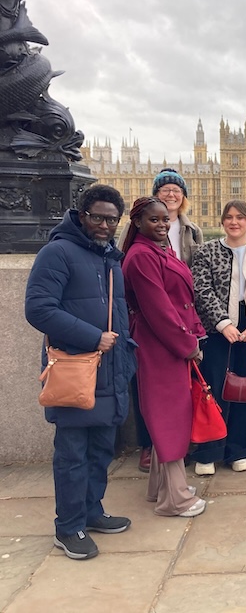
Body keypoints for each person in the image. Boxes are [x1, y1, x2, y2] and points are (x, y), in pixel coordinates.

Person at [25, 184, 137, 560]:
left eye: (112, 219)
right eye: (98, 217)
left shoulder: (109, 258)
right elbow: (39, 310)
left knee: (101, 449)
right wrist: (92, 337)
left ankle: (91, 511)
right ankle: (68, 526)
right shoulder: (56, 252)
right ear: (82, 214)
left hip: (110, 371)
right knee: (72, 453)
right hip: (75, 368)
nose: (105, 225)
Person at [121, 197, 207, 518]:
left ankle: (160, 486)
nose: (162, 225)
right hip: (158, 344)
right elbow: (159, 311)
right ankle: (175, 499)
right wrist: (188, 345)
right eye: (154, 220)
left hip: (170, 342)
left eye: (165, 219)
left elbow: (183, 298)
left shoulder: (159, 250)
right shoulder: (141, 256)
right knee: (168, 415)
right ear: (138, 223)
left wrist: (194, 332)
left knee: (168, 411)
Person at [190, 201, 246, 475]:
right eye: (229, 217)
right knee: (213, 389)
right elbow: (201, 288)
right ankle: (208, 452)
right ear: (222, 222)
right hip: (218, 329)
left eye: (240, 217)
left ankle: (239, 450)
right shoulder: (207, 251)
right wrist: (222, 323)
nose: (234, 222)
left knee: (245, 391)